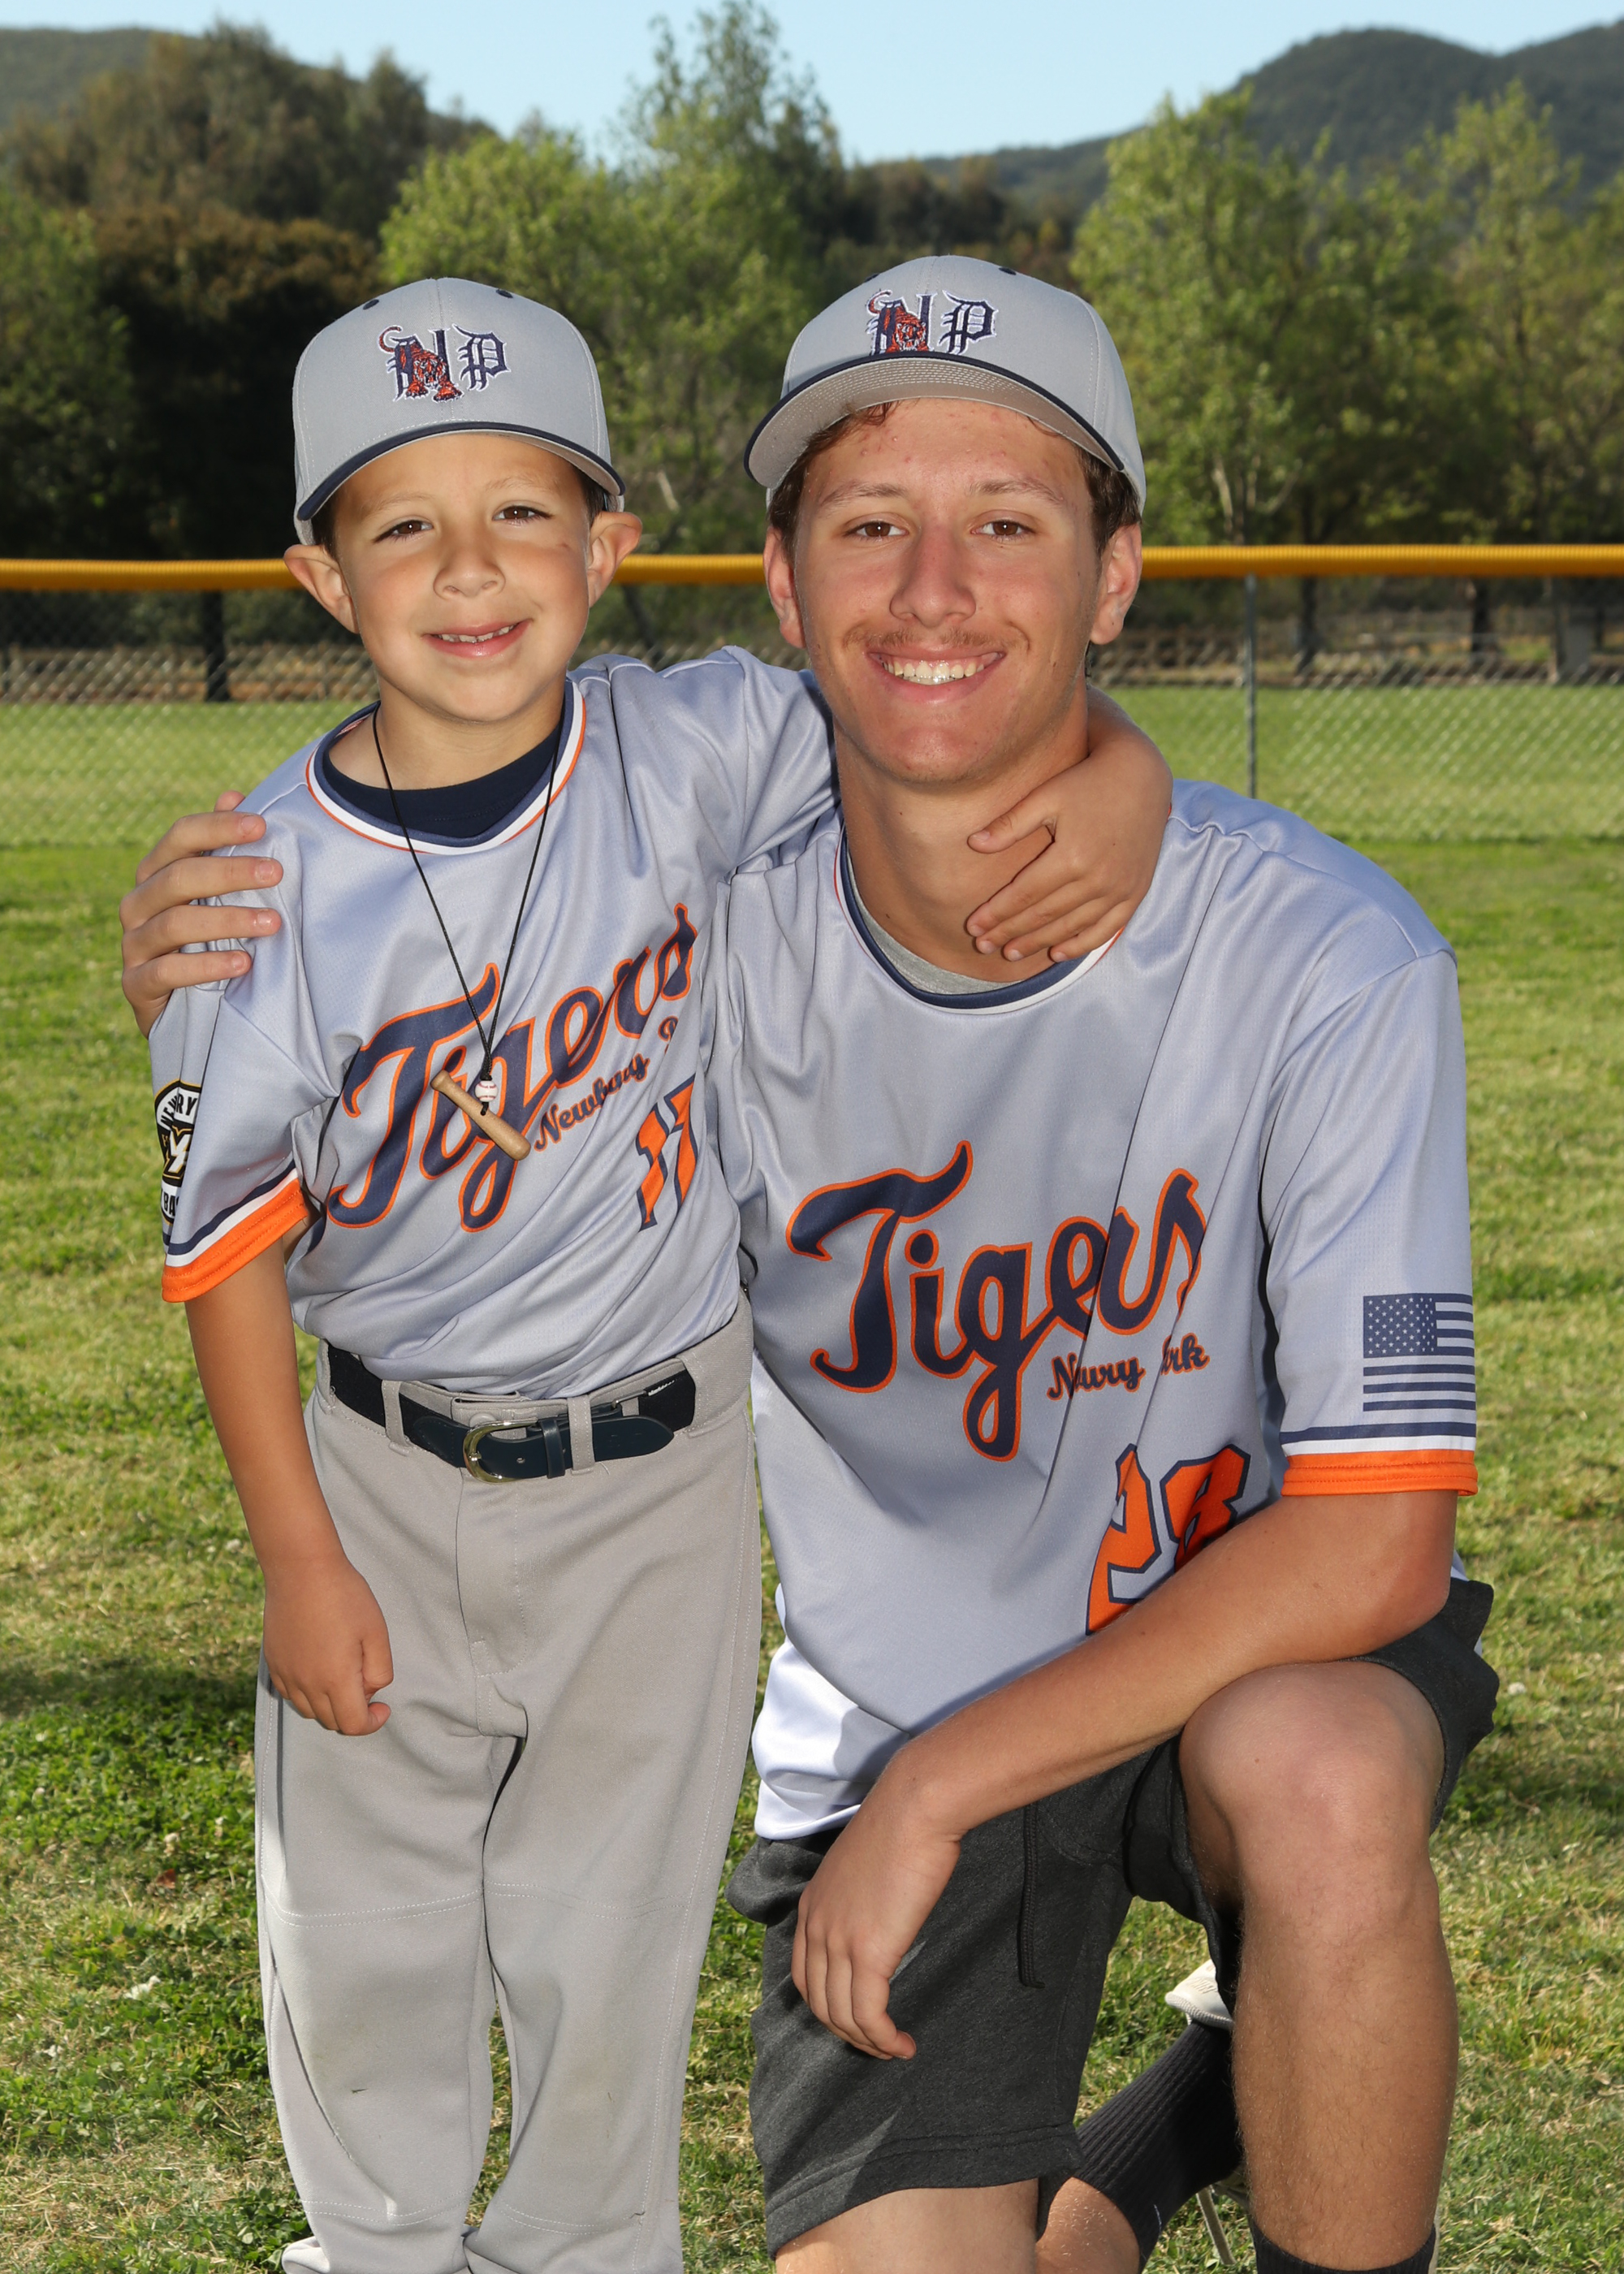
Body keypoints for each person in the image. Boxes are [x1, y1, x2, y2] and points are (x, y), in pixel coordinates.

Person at [134, 270, 1172, 2274]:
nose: (470, 569)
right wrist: (293, 1553)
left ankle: (582, 2245)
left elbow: (938, 731)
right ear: (322, 576)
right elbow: (232, 1251)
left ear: (608, 543)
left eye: (522, 510)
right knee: (360, 1922)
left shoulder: (690, 747)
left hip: (663, 1469)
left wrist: (1115, 775)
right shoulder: (256, 894)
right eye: (402, 523)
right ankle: (379, 2247)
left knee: (608, 1917)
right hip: (378, 1465)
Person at [698, 259, 1495, 2274]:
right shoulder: (698, 951)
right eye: (868, 524)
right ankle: (1162, 2134)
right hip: (892, 1693)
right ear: (781, 582)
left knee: (1318, 1773)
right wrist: (234, 926)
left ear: (1114, 574)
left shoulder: (1324, 952)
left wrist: (945, 1785)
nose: (933, 588)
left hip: (1240, 1640)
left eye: (1009, 522)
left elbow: (1379, 1536)